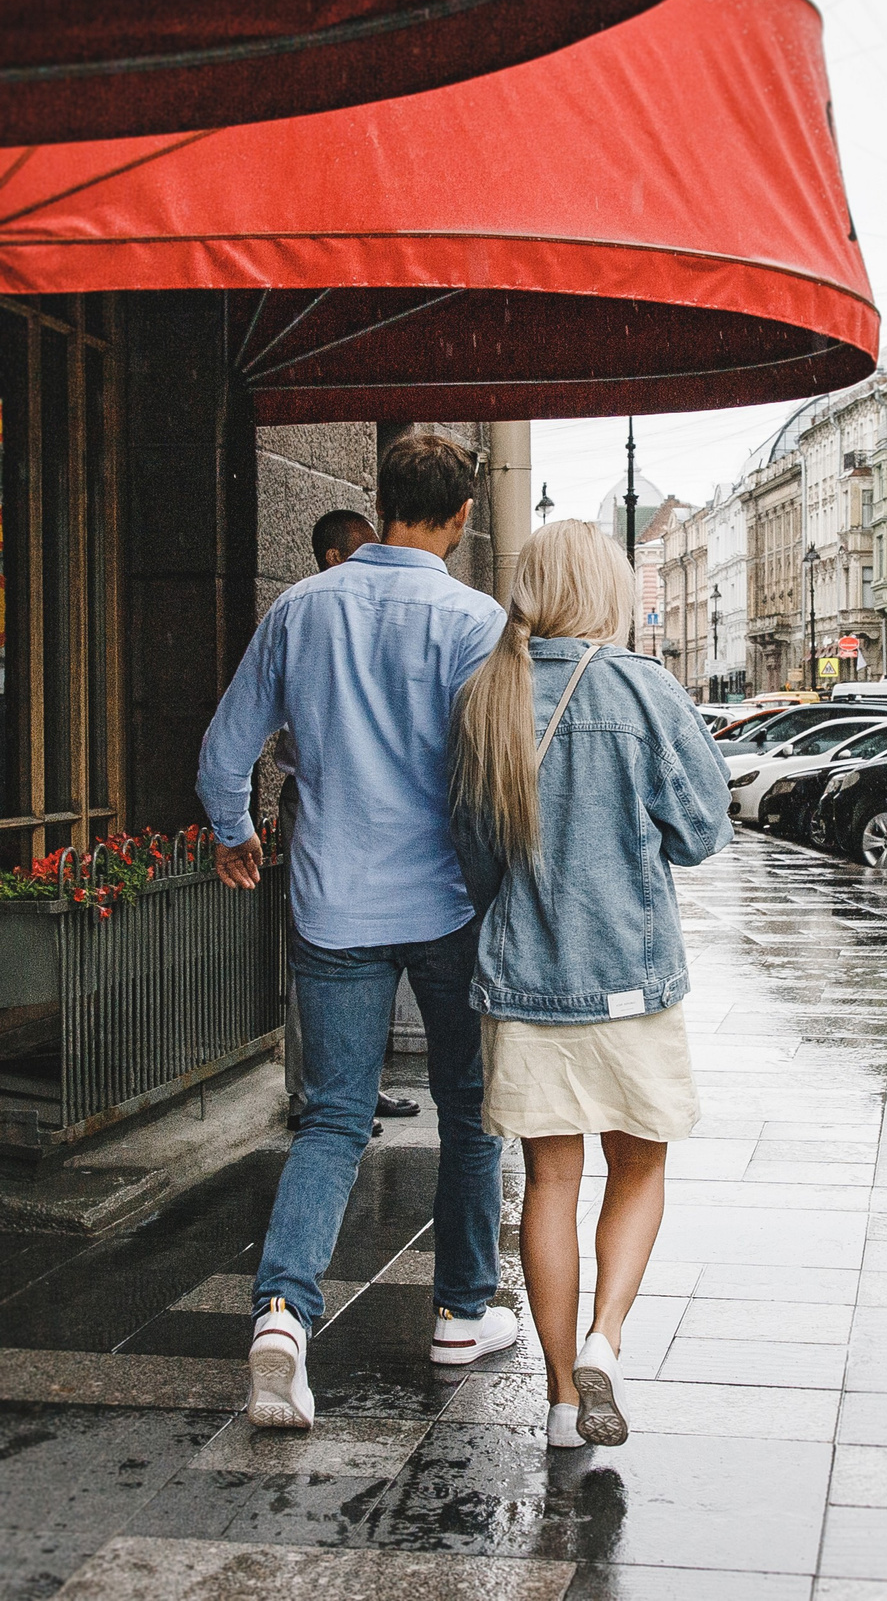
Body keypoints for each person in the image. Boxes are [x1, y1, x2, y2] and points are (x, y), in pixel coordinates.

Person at [199, 434, 517, 1430]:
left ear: (380, 503)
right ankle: (463, 1310)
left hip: (334, 899)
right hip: (450, 904)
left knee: (333, 1122)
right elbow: (498, 771)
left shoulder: (300, 608)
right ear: (462, 518)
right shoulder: (476, 621)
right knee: (470, 1113)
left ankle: (284, 1318)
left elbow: (224, 748)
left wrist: (234, 832)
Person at [448, 519, 730, 1449]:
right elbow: (701, 832)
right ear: (605, 588)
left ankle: (564, 1399)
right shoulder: (644, 688)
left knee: (548, 1183)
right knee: (639, 1165)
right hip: (630, 983)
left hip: (524, 982)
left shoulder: (486, 694)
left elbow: (477, 865)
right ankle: (607, 1339)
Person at [279, 509, 423, 1133]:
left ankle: (356, 1087)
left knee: (361, 949)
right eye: (365, 553)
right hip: (323, 807)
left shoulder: (381, 616)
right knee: (320, 952)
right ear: (336, 557)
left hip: (371, 814)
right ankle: (316, 1092)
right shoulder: (304, 616)